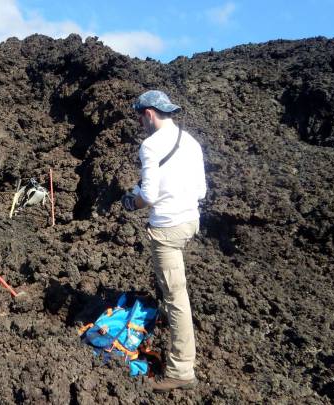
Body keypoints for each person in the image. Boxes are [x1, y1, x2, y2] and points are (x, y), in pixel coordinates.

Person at [121, 90, 206, 392]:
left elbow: (150, 196)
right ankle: (167, 322)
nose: (141, 123)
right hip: (190, 222)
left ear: (149, 114)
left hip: (167, 229)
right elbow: (200, 190)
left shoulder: (150, 145)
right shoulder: (191, 141)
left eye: (140, 117)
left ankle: (181, 369)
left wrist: (133, 203)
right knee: (172, 284)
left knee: (175, 294)